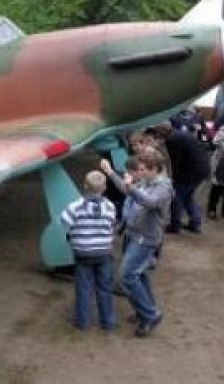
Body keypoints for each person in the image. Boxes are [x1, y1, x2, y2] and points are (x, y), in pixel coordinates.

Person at [101, 152, 172, 337]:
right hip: (134, 235)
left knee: (127, 276)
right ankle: (145, 311)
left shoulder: (163, 188)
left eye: (143, 170)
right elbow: (128, 190)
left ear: (155, 170)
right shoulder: (146, 182)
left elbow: (149, 201)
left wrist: (130, 186)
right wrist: (110, 173)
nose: (139, 173)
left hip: (146, 240)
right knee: (138, 275)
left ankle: (150, 315)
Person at [61, 170, 117, 332]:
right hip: (104, 252)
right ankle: (108, 322)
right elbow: (112, 225)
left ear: (85, 185)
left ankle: (83, 322)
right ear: (105, 187)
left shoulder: (75, 206)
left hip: (83, 253)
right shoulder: (110, 206)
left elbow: (64, 222)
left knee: (84, 288)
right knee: (105, 287)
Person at [151, 122, 210, 234]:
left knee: (176, 198)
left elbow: (174, 162)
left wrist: (170, 179)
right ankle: (195, 223)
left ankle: (175, 226)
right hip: (202, 169)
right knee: (187, 197)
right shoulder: (179, 134)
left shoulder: (172, 140)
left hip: (190, 172)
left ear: (161, 132)